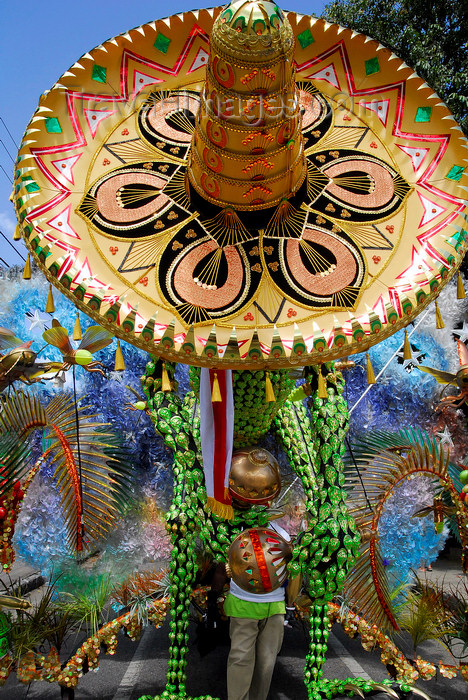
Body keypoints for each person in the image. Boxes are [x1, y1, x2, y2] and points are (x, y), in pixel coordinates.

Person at [224, 521, 297, 700]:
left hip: (274, 607)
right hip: (242, 605)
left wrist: (290, 605)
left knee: (266, 664)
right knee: (240, 660)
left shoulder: (282, 534)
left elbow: (291, 571)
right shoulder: (232, 528)